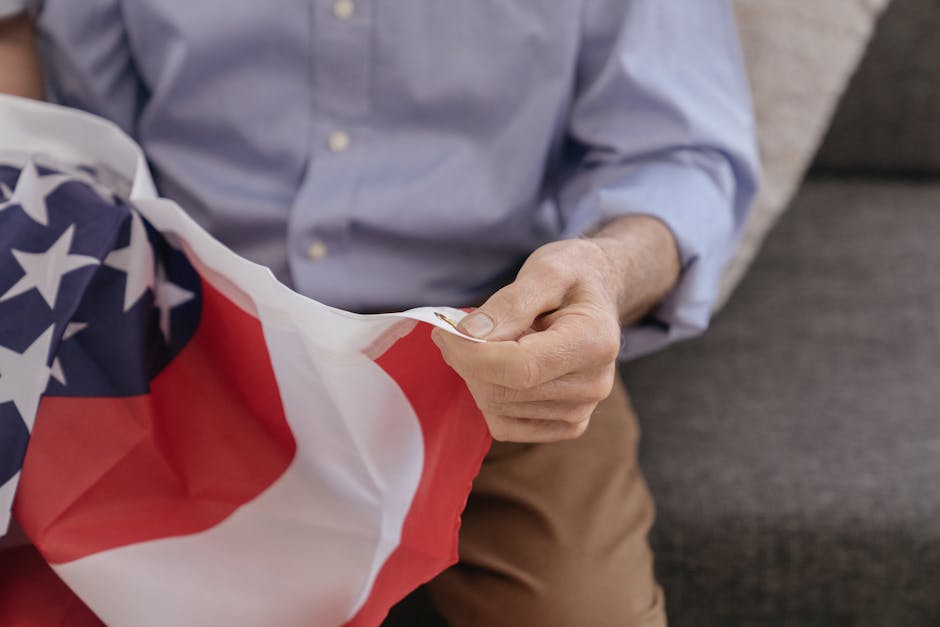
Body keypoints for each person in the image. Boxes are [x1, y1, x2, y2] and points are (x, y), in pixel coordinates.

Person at [0, 2, 759, 625]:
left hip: (489, 351)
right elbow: (63, 106)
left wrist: (600, 273)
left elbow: (679, 156)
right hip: (186, 336)